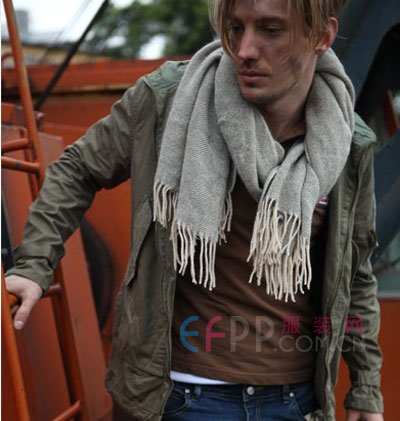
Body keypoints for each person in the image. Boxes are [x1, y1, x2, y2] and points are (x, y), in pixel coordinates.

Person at [5, 0, 384, 420]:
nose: (245, 49)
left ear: (322, 36)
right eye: (235, 28)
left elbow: (355, 272)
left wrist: (366, 387)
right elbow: (78, 168)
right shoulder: (169, 100)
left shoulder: (347, 145)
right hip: (179, 397)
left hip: (293, 402)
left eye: (270, 30)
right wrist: (34, 264)